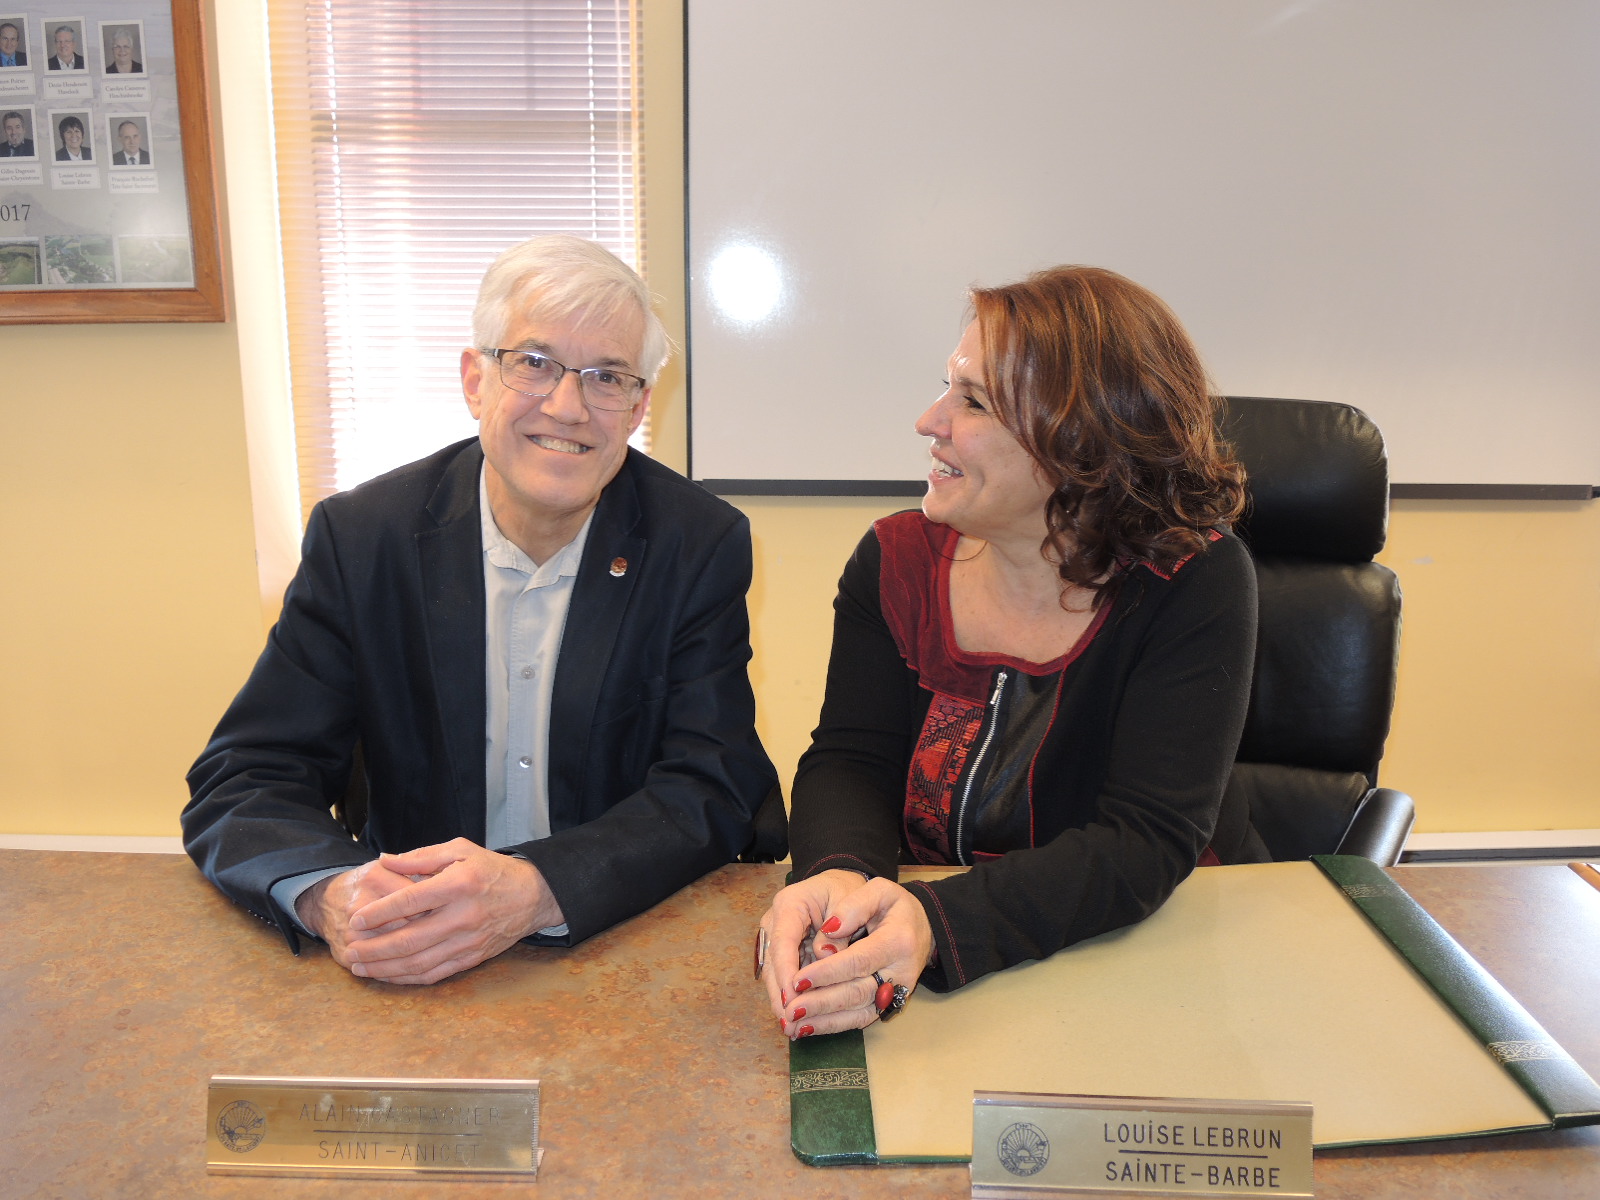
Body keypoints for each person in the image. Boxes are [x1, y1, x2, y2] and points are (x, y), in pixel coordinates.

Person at [185, 235, 778, 986]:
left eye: (607, 377)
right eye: (533, 363)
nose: (567, 407)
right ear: (475, 379)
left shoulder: (697, 544)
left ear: (637, 407)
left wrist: (538, 890)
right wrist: (332, 895)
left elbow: (713, 783)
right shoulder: (363, 538)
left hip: (613, 947)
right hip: (409, 951)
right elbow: (248, 775)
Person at [757, 265, 1266, 1038]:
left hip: (1141, 960)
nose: (930, 421)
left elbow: (1142, 842)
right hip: (926, 966)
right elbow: (851, 760)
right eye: (945, 388)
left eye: (973, 401)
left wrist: (934, 919)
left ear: (1079, 442)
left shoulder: (1191, 579)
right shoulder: (895, 562)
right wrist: (837, 879)